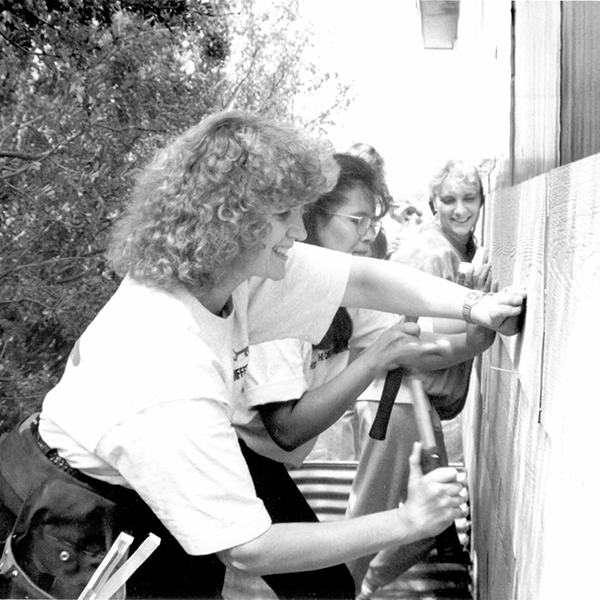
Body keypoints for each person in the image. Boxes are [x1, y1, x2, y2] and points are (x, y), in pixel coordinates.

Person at [0, 113, 524, 600]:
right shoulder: (166, 359)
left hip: (139, 480)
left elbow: (360, 280)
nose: (299, 231)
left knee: (305, 586)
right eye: (283, 216)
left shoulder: (230, 275)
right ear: (229, 223)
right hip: (69, 521)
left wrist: (476, 306)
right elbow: (247, 548)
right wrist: (408, 521)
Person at [227, 153, 498, 599]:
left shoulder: (343, 294)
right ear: (312, 218)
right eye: (357, 220)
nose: (369, 235)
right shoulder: (278, 297)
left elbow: (408, 346)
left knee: (327, 584)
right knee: (306, 582)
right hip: (243, 457)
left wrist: (475, 335)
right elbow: (287, 430)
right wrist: (373, 361)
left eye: (373, 222)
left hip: (270, 462)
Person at [347, 159, 490, 600]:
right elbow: (420, 350)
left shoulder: (456, 248)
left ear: (483, 201)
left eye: (469, 199)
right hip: (398, 400)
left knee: (427, 517)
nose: (460, 209)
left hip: (406, 402)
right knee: (375, 521)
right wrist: (483, 329)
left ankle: (356, 585)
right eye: (449, 200)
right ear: (433, 204)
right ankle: (351, 588)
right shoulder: (436, 253)